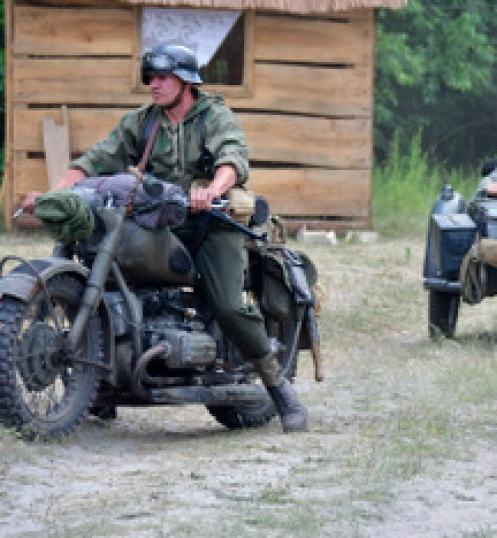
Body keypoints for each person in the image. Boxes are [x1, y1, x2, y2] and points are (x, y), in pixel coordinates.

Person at [20, 44, 308, 433]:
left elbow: (232, 158)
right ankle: (98, 386)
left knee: (226, 304)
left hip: (210, 221)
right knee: (107, 272)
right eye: (150, 78)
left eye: (162, 78)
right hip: (161, 219)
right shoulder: (143, 122)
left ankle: (278, 388)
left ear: (185, 82)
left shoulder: (214, 116)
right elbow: (94, 160)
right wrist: (55, 195)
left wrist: (211, 190)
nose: (153, 85)